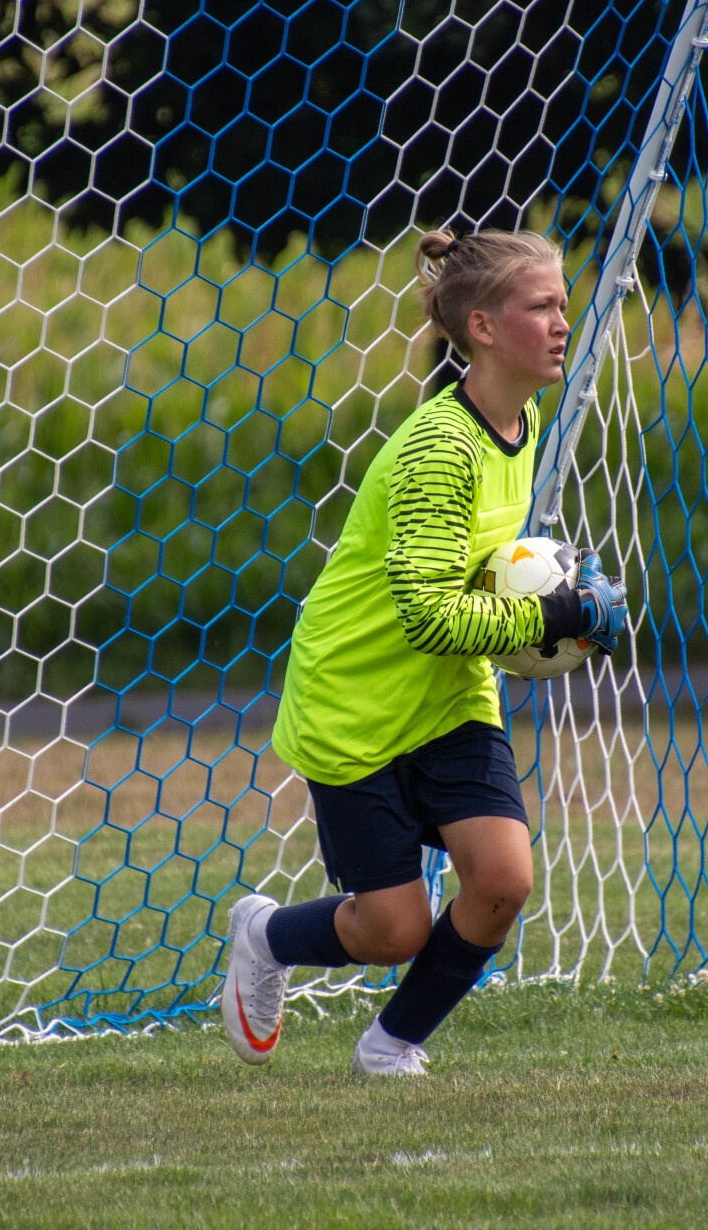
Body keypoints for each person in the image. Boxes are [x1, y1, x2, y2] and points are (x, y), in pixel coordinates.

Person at [219, 228, 627, 1075]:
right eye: (542, 306)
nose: (563, 323)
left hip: (447, 696)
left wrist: (561, 611)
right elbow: (432, 617)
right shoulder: (441, 448)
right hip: (354, 699)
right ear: (480, 326)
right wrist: (551, 612)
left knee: (503, 877)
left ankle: (391, 1042)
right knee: (392, 929)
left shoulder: (521, 423)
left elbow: (473, 583)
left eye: (563, 305)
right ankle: (264, 933)